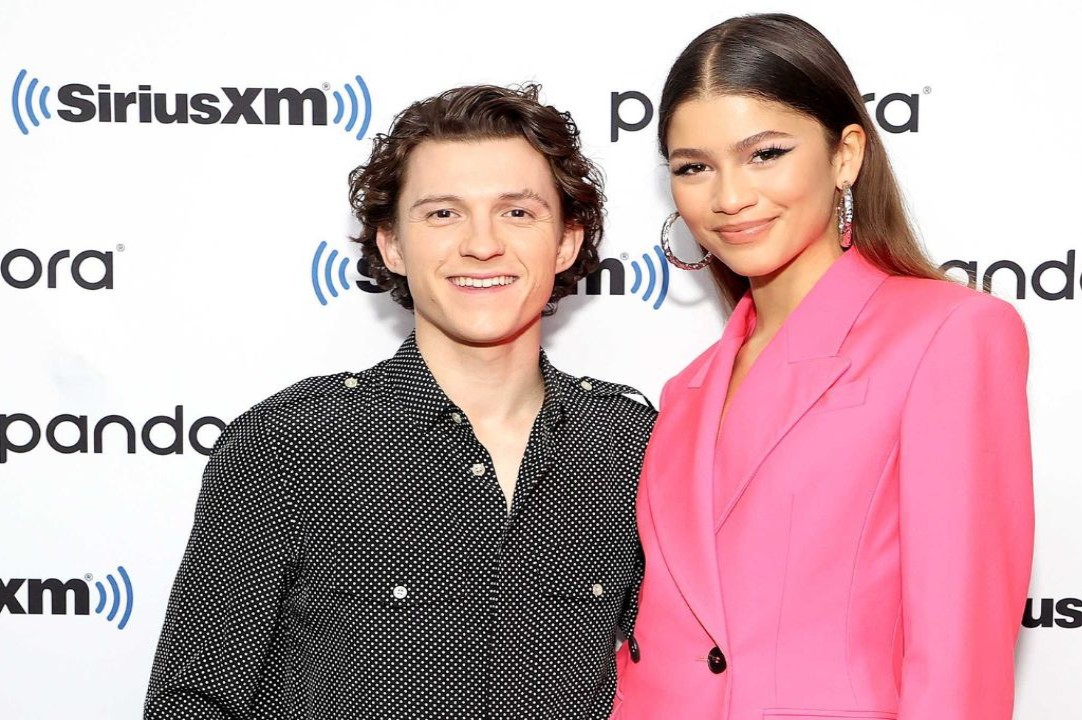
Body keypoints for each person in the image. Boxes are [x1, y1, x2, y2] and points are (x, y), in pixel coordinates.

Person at [144, 84, 654, 720]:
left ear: (566, 243)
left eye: (517, 213)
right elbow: (194, 701)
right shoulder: (290, 441)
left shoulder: (636, 445)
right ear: (390, 245)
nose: (482, 244)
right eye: (443, 214)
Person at [613, 14, 1033, 720]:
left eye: (765, 153)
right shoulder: (686, 390)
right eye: (694, 167)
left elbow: (959, 660)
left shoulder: (950, 334)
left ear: (845, 155)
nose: (729, 197)